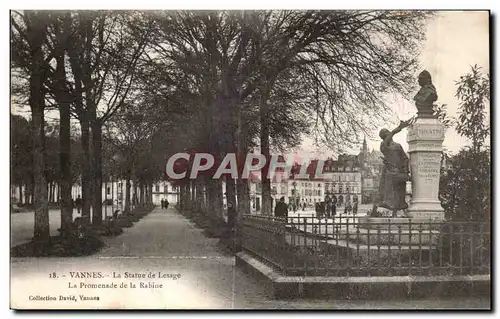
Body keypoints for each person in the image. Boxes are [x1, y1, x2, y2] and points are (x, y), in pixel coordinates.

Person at [377, 119, 412, 217]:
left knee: (400, 193)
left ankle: (397, 212)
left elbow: (404, 158)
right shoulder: (383, 146)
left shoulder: (397, 145)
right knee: (391, 194)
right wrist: (398, 128)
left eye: (387, 132)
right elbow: (389, 137)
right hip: (390, 173)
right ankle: (392, 212)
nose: (387, 134)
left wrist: (406, 169)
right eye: (385, 133)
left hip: (400, 172)